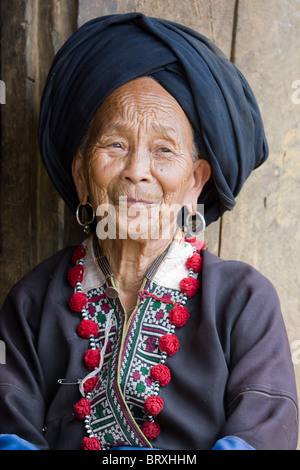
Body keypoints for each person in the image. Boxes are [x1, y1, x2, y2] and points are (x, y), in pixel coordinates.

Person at [0, 13, 298, 451]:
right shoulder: (31, 303)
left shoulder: (243, 300)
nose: (137, 172)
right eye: (115, 145)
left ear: (195, 182)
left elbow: (266, 432)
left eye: (163, 150)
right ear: (81, 174)